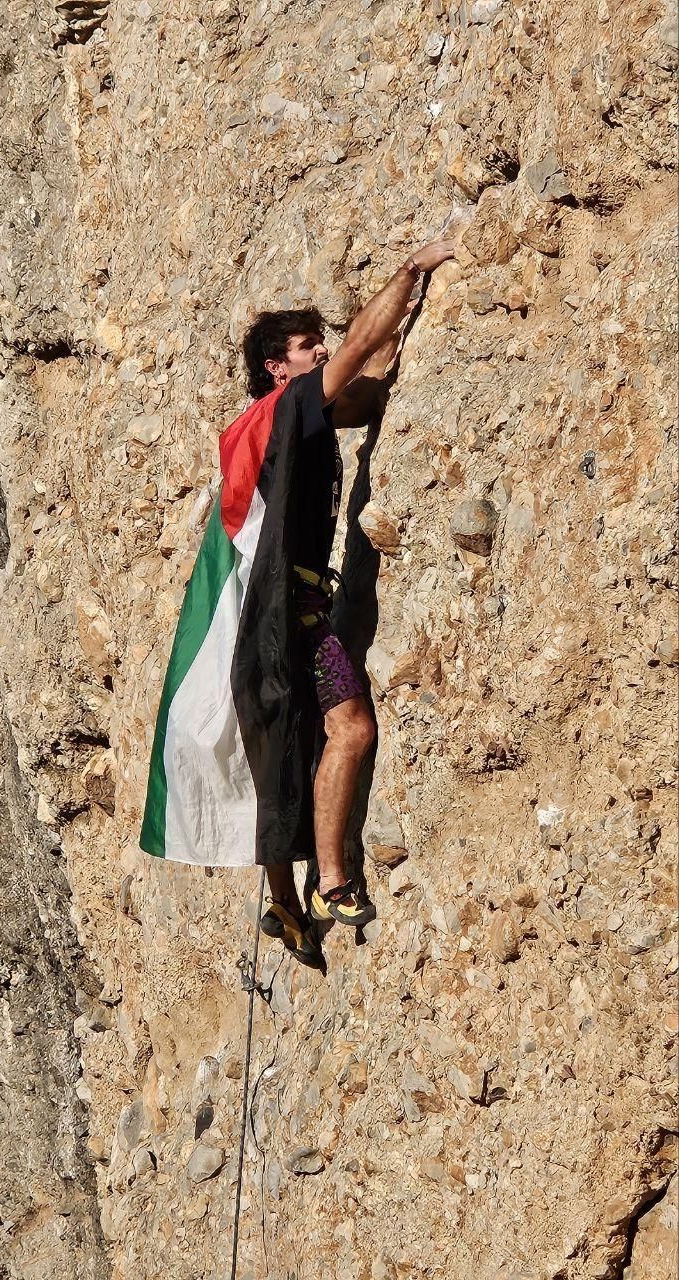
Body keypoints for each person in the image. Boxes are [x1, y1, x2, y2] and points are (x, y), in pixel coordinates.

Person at [241, 237, 456, 966]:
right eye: (309, 347)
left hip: (265, 621)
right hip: (292, 615)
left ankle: (285, 897)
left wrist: (409, 338)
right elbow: (361, 347)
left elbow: (365, 388)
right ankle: (329, 881)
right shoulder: (286, 407)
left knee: (282, 747)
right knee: (349, 728)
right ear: (280, 367)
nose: (320, 352)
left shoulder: (281, 427)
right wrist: (415, 269)